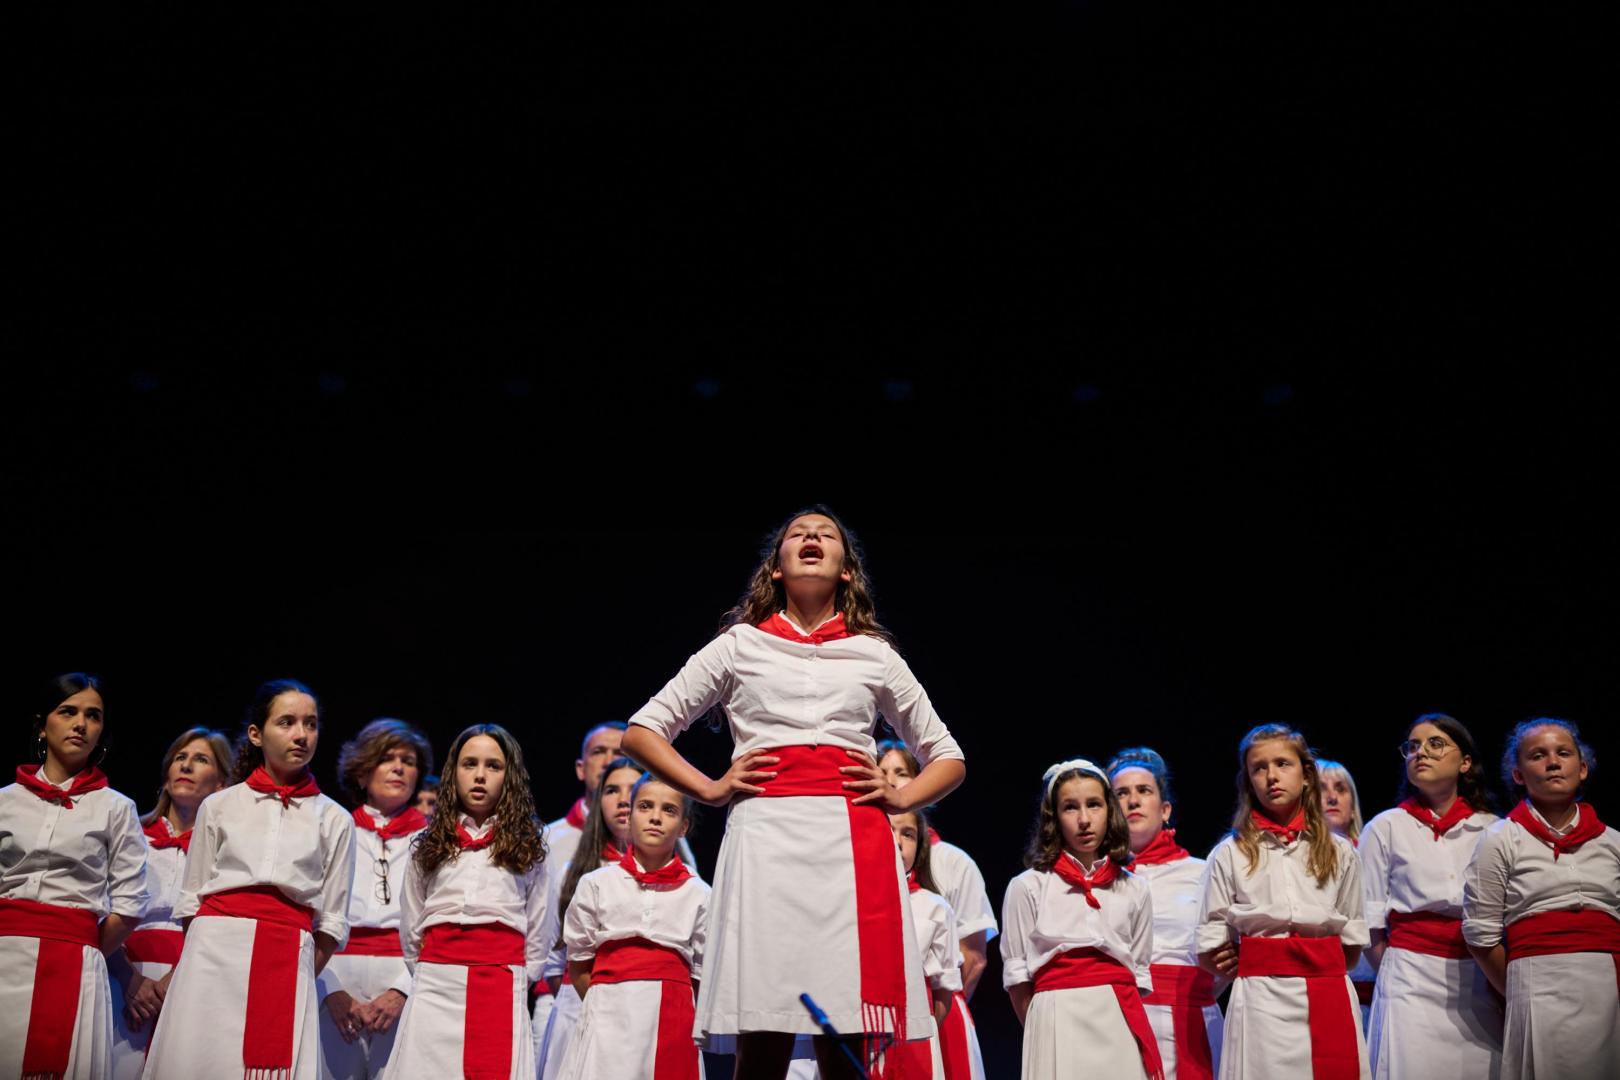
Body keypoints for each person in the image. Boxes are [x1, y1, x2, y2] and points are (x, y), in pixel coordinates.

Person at [621, 506, 966, 1080]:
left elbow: (948, 756)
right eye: (797, 534)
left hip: (852, 847)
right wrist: (710, 789)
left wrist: (901, 798)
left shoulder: (874, 654)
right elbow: (642, 731)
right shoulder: (740, 645)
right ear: (776, 567)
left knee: (844, 1032)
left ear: (846, 569)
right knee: (765, 1029)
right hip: (766, 842)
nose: (811, 537)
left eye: (825, 534)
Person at [142, 678, 357, 1079]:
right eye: (287, 722)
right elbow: (191, 899)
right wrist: (201, 957)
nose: (301, 734)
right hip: (213, 954)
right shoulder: (219, 805)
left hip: (286, 956)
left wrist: (297, 974)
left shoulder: (335, 819)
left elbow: (332, 921)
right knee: (200, 1060)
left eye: (310, 724)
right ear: (257, 734)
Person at [1197, 724, 1370, 1080]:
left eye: (1282, 764)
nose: (1271, 776)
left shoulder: (1341, 852)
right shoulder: (1229, 854)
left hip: (1328, 990)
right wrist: (1257, 958)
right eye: (1259, 768)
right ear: (1249, 781)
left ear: (1306, 775)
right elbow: (1208, 947)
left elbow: (1352, 947)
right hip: (1260, 999)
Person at [1, 673, 149, 1080]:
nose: (81, 724)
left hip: (76, 959)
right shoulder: (5, 801)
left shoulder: (116, 808)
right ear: (42, 725)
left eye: (93, 716)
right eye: (68, 712)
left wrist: (80, 944)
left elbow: (131, 904)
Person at [383, 724, 547, 1080]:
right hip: (436, 983)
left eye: (493, 766)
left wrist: (518, 979)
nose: (480, 775)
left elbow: (539, 927)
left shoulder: (528, 846)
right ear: (453, 772)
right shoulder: (427, 844)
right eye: (470, 764)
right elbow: (411, 923)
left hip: (500, 981)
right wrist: (428, 970)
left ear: (509, 776)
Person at [1463, 717, 1619, 1079]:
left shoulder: (1613, 842)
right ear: (1518, 775)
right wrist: (1520, 988)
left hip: (1607, 984)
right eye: (1538, 755)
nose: (1552, 762)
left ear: (1582, 768)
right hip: (1536, 982)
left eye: (1563, 753)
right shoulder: (1500, 839)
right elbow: (1480, 936)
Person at [1359, 714, 1501, 1080]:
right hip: (1409, 978)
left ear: (1465, 762)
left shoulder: (1493, 830)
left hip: (1478, 976)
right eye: (1412, 746)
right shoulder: (1385, 827)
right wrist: (1396, 971)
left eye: (1435, 744)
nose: (1420, 752)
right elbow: (1369, 920)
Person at [1001, 758, 1162, 1080]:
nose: (1084, 820)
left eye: (1094, 805)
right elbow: (1017, 978)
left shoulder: (1135, 888)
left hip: (1117, 1016)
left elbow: (1139, 969)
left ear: (1110, 811)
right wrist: (1042, 1033)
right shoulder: (1028, 887)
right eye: (1070, 808)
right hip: (1056, 1016)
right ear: (1054, 817)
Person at [556, 773, 711, 1080]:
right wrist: (607, 1006)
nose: (655, 817)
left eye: (669, 810)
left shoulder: (699, 893)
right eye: (645, 806)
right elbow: (579, 964)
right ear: (630, 817)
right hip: (608, 1019)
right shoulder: (597, 884)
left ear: (683, 827)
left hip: (671, 1020)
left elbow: (700, 975)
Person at [108, 726, 234, 1080]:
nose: (187, 766)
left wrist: (176, 979)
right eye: (180, 757)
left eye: (201, 759)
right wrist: (130, 979)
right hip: (123, 974)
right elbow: (101, 908)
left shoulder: (228, 853)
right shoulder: (131, 836)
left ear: (221, 785)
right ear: (166, 777)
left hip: (195, 977)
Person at [319, 719, 435, 1080]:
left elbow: (437, 924)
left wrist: (402, 990)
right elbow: (310, 915)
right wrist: (330, 989)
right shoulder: (332, 829)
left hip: (406, 976)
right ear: (362, 772)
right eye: (387, 758)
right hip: (336, 975)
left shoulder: (433, 842)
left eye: (408, 761)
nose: (398, 768)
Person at [1108, 747, 1222, 1080]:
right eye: (1121, 794)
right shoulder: (1096, 879)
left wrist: (1187, 993)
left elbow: (1227, 953)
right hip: (1114, 1021)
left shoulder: (1202, 872)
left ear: (1165, 809)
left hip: (1189, 1025)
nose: (1133, 801)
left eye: (1144, 791)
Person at [539, 757, 642, 1080]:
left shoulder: (680, 876)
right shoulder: (573, 874)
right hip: (577, 1013)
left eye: (633, 789)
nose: (623, 799)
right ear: (598, 803)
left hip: (645, 1015)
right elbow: (553, 962)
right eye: (612, 790)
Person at [877, 740, 998, 1000]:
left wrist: (939, 1011)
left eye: (901, 773)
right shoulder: (859, 857)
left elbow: (973, 957)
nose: (890, 782)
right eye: (882, 772)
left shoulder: (954, 862)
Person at [889, 807, 981, 1080]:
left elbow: (944, 991)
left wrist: (921, 1032)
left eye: (908, 834)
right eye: (889, 830)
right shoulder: (853, 899)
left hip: (916, 1037)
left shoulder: (934, 907)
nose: (897, 842)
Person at [1318, 759, 1377, 1023]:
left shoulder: (1375, 857)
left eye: (1341, 789)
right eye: (1321, 789)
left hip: (1375, 998)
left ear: (1353, 808)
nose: (1332, 797)